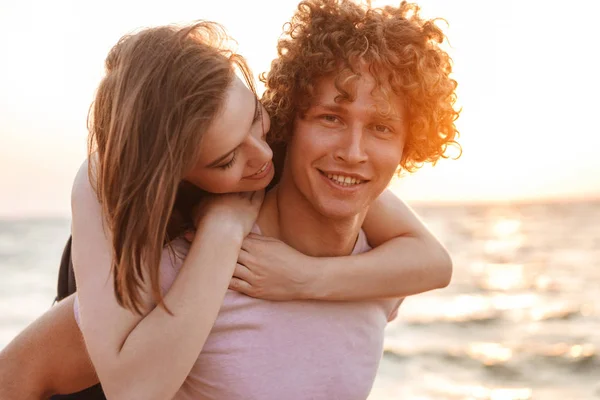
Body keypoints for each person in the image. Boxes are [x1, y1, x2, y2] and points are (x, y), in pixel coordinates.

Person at [0, 0, 459, 398]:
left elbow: (434, 263)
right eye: (330, 118)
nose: (354, 152)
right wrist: (222, 230)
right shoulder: (176, 268)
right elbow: (19, 375)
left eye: (381, 128)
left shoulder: (376, 268)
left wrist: (305, 277)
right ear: (294, 120)